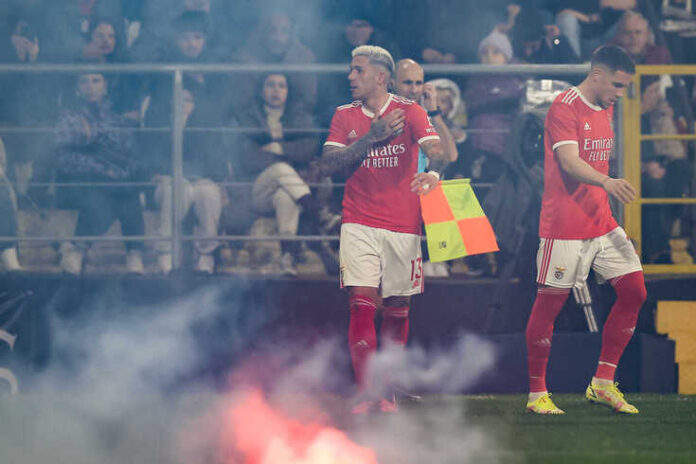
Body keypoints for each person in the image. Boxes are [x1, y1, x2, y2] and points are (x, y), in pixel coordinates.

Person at [318, 45, 447, 413]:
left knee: (396, 307)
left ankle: (387, 390)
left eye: (357, 70)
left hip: (403, 225)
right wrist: (370, 138)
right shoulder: (344, 116)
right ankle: (367, 392)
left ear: (380, 77)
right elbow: (329, 165)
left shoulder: (410, 111)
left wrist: (434, 172)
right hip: (358, 221)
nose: (350, 77)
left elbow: (437, 150)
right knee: (361, 303)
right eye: (351, 69)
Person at [525, 45, 646, 414]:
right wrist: (607, 182)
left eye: (624, 87)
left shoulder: (605, 106)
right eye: (617, 85)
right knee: (550, 306)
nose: (620, 94)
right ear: (597, 75)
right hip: (563, 225)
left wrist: (606, 193)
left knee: (634, 291)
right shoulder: (564, 106)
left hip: (601, 223)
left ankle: (603, 383)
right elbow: (569, 162)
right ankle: (536, 395)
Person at [231, 73, 339, 276]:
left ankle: (287, 258)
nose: (276, 91)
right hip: (258, 190)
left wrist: (277, 148)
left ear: (288, 91)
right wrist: (288, 156)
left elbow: (309, 147)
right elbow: (247, 158)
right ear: (262, 91)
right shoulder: (248, 118)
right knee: (281, 169)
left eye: (281, 86)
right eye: (270, 85)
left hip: (289, 189)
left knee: (285, 196)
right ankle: (322, 215)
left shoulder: (298, 117)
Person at [54, 72, 145, 275]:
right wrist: (104, 168)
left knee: (124, 189)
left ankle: (77, 248)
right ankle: (134, 250)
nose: (90, 86)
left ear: (105, 86)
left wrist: (117, 171)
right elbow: (64, 159)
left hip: (114, 182)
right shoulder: (69, 117)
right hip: (77, 181)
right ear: (77, 88)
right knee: (118, 190)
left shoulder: (116, 117)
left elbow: (130, 155)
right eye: (84, 81)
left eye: (96, 81)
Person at [143, 79, 225, 274]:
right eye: (178, 99)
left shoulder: (206, 127)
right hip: (168, 181)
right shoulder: (158, 124)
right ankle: (166, 253)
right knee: (176, 190)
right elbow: (151, 159)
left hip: (201, 180)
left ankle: (206, 255)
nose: (183, 104)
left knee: (208, 194)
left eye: (188, 100)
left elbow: (215, 160)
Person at [392, 58, 459, 278]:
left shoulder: (425, 115)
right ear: (393, 83)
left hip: (421, 189)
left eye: (418, 83)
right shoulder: (383, 112)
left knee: (445, 190)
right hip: (393, 191)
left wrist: (434, 112)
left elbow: (451, 156)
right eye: (407, 83)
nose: (413, 89)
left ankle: (437, 258)